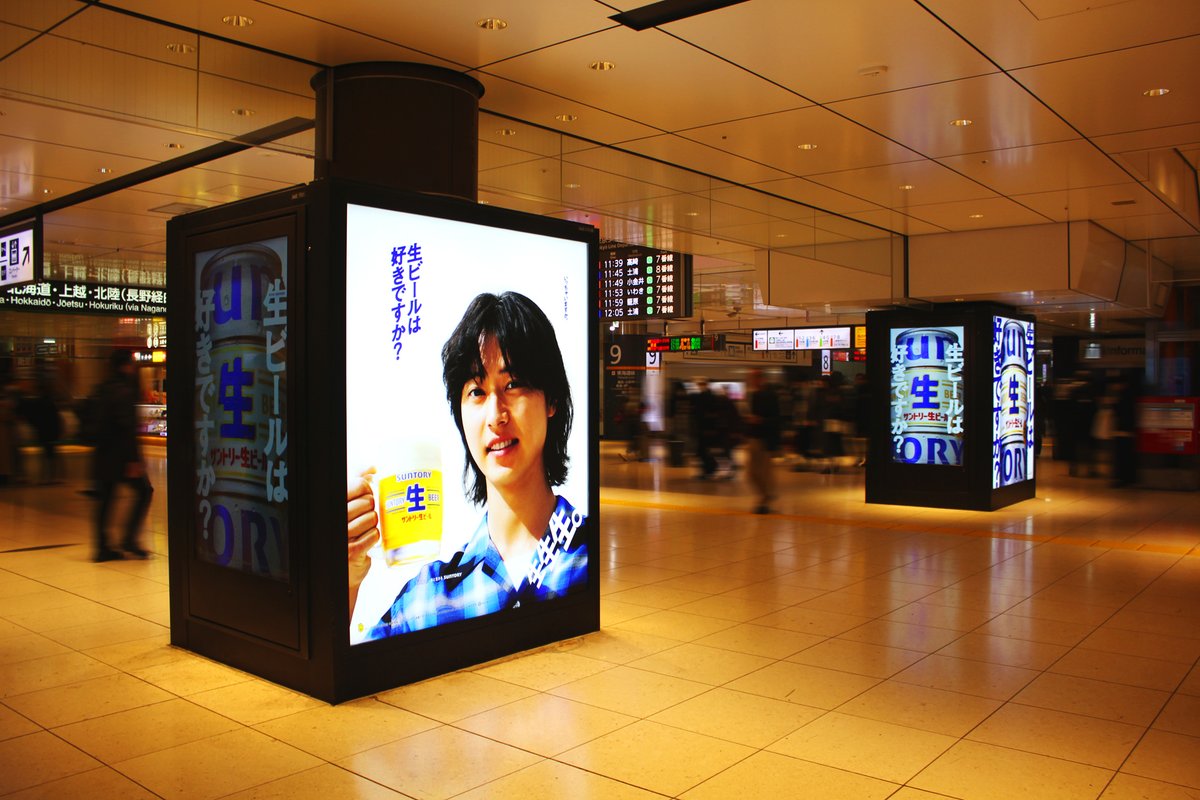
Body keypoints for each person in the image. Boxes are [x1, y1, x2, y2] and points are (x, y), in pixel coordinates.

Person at [347, 291, 588, 638]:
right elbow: (356, 661)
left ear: (551, 399)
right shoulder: (427, 599)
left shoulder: (589, 557)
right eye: (477, 391)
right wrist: (348, 579)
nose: (495, 416)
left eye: (513, 384)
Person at [92, 349, 153, 561]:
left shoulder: (103, 388)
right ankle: (129, 539)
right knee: (144, 491)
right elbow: (126, 428)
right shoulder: (124, 391)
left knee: (106, 500)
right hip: (120, 456)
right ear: (126, 365)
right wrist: (134, 459)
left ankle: (102, 547)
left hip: (102, 454)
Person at [745, 369, 781, 514]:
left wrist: (761, 420)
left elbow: (776, 419)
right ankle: (766, 495)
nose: (751, 381)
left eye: (754, 378)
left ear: (761, 379)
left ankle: (764, 499)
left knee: (765, 472)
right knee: (752, 472)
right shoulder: (754, 395)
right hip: (754, 437)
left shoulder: (770, 396)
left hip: (766, 439)